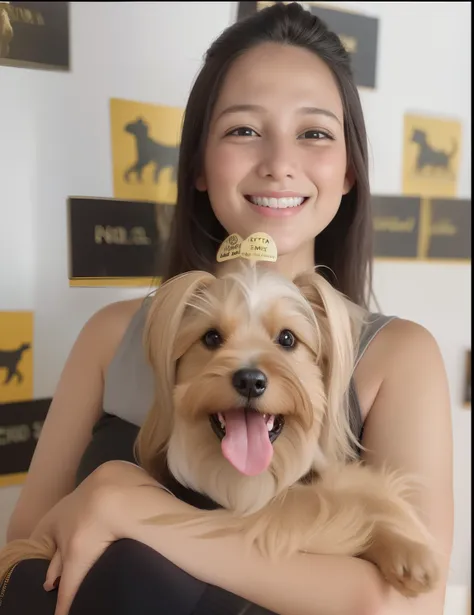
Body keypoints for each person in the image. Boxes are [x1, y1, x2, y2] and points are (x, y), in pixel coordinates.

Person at [4, 3, 453, 615]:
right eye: (243, 129)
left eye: (315, 132)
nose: (278, 161)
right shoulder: (113, 336)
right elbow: (24, 550)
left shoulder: (397, 358)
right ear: (196, 163)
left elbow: (404, 604)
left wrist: (132, 505)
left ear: (349, 170)